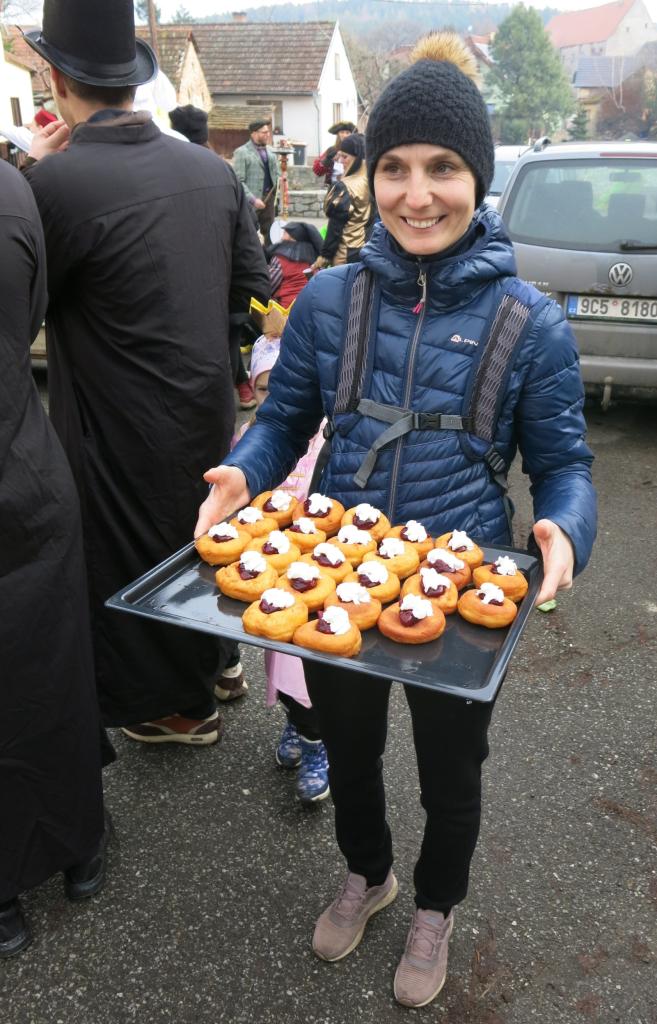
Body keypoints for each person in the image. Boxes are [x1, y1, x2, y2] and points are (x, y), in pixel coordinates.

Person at [196, 32, 596, 1009]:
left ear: (478, 178)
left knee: (453, 770)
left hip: (459, 598)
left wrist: (564, 530)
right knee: (352, 751)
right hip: (337, 576)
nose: (417, 194)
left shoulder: (530, 322)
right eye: (395, 167)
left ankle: (434, 906)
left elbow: (564, 469)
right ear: (370, 175)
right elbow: (284, 419)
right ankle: (367, 872)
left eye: (443, 167)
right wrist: (243, 470)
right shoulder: (330, 300)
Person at [24, 0, 270, 746]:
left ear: (58, 81)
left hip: (115, 416)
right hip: (204, 399)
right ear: (134, 81)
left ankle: (179, 708)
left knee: (132, 552)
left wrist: (31, 173)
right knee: (203, 531)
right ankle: (221, 665)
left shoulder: (55, 186)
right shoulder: (211, 170)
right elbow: (253, 288)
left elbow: (22, 297)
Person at [0, 160, 108, 958]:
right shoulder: (12, 190)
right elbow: (30, 309)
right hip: (27, 464)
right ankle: (77, 845)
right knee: (54, 664)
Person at [233, 331, 329, 803]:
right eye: (264, 388)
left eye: (285, 387)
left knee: (309, 667)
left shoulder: (328, 439)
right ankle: (298, 723)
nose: (274, 398)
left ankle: (317, 742)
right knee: (279, 660)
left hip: (320, 578)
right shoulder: (248, 440)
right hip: (273, 576)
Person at [169, 103, 258, 411]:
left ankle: (229, 397)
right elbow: (248, 233)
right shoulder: (220, 169)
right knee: (225, 343)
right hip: (226, 279)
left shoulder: (168, 170)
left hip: (190, 281)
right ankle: (240, 390)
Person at [311, 133, 371, 270]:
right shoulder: (374, 181)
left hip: (346, 254)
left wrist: (325, 256)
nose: (340, 161)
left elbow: (335, 227)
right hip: (369, 251)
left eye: (345, 157)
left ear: (357, 158)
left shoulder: (345, 186)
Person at [232, 119, 280, 246]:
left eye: (268, 132)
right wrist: (253, 200)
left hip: (269, 200)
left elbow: (277, 176)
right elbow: (238, 181)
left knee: (270, 234)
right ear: (254, 133)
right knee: (249, 235)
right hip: (250, 203)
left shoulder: (271, 152)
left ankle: (269, 257)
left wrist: (280, 190)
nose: (267, 135)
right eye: (264, 132)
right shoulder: (241, 152)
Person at [267, 221, 324, 307]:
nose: (281, 237)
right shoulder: (315, 259)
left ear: (293, 237)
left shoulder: (280, 258)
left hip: (287, 308)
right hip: (311, 305)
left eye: (284, 233)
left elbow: (268, 286)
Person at [313, 120, 357, 186]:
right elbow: (317, 171)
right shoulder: (331, 150)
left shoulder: (356, 150)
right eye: (342, 132)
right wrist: (328, 160)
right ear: (338, 134)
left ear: (351, 134)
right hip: (333, 187)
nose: (345, 135)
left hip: (352, 187)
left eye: (347, 133)